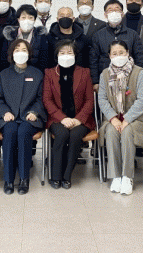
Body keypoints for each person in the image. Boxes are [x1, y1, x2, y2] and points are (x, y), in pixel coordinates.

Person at [98, 41, 143, 195]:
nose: (118, 56)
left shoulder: (139, 73)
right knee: (111, 131)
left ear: (128, 53)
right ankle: (115, 176)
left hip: (137, 120)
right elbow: (102, 99)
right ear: (109, 56)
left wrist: (127, 119)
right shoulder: (105, 74)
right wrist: (113, 118)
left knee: (127, 131)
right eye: (114, 53)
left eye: (121, 52)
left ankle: (127, 176)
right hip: (113, 119)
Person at [0, 39, 46, 195]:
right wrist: (5, 112)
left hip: (29, 117)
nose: (20, 53)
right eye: (17, 50)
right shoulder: (4, 74)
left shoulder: (37, 74)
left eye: (24, 50)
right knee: (10, 133)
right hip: (9, 117)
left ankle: (24, 178)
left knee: (24, 133)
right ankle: (8, 179)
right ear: (12, 53)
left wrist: (34, 112)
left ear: (29, 54)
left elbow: (41, 98)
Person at [44, 39, 94, 189]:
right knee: (61, 134)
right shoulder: (49, 73)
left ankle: (67, 175)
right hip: (57, 118)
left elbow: (89, 100)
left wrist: (79, 119)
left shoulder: (84, 72)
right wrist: (63, 118)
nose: (66, 55)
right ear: (56, 55)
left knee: (75, 136)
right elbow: (47, 100)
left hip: (80, 118)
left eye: (69, 52)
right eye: (62, 53)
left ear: (75, 55)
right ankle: (55, 175)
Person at [90, 0, 143, 92]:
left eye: (117, 10)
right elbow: (93, 59)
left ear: (122, 14)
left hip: (130, 78)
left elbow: (139, 57)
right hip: (106, 78)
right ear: (105, 15)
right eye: (110, 10)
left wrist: (140, 77)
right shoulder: (98, 35)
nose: (114, 12)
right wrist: (95, 81)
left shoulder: (132, 34)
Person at [2, 4, 50, 73]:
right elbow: (4, 59)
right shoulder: (10, 36)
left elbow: (44, 61)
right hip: (12, 73)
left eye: (30, 18)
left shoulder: (41, 36)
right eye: (23, 17)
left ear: (34, 19)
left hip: (34, 73)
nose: (27, 21)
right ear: (18, 19)